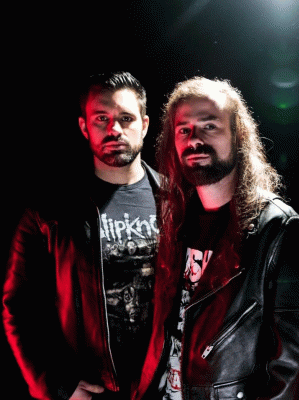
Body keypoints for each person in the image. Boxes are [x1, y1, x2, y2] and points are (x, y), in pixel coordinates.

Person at [132, 76, 299, 400]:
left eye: (209, 126)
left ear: (238, 134)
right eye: (183, 130)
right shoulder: (175, 220)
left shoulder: (278, 230)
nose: (194, 139)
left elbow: (290, 370)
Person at [3, 71, 160, 399]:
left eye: (126, 118)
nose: (114, 129)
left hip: (165, 388)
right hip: (93, 390)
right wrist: (58, 384)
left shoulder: (177, 203)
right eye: (101, 118)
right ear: (84, 127)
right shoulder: (49, 212)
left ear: (144, 125)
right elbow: (19, 306)